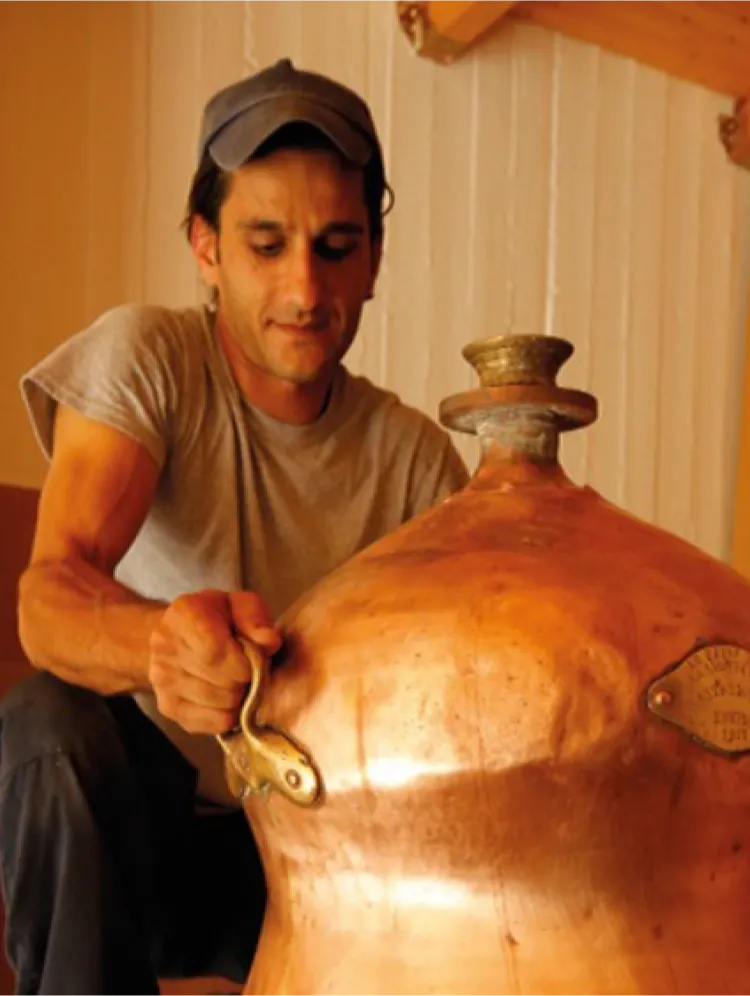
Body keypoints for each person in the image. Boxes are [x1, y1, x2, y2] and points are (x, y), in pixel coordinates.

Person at [0, 58, 468, 996]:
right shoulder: (150, 359)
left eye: (337, 246)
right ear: (204, 247)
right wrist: (160, 645)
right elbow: (49, 602)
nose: (304, 287)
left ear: (374, 259)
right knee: (49, 728)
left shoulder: (418, 462)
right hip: (137, 836)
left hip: (315, 855)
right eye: (266, 244)